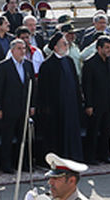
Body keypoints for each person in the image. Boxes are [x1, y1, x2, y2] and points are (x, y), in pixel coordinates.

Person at [36, 34, 84, 163]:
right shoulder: (47, 65)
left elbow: (75, 83)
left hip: (71, 105)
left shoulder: (69, 61)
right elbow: (43, 90)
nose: (66, 46)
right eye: (64, 44)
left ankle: (73, 156)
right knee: (56, 134)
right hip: (55, 107)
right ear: (56, 47)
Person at [0, 38, 36, 174]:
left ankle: (22, 163)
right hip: (9, 108)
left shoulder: (28, 65)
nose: (22, 51)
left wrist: (32, 105)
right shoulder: (3, 66)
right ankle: (7, 165)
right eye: (19, 48)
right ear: (12, 51)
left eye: (24, 48)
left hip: (24, 107)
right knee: (8, 137)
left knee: (23, 137)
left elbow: (33, 86)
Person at [81, 36, 110, 164]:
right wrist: (89, 105)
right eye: (106, 47)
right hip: (95, 104)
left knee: (107, 130)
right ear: (99, 48)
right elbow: (87, 86)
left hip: (109, 102)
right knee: (93, 131)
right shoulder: (89, 63)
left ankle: (105, 155)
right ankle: (91, 157)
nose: (109, 50)